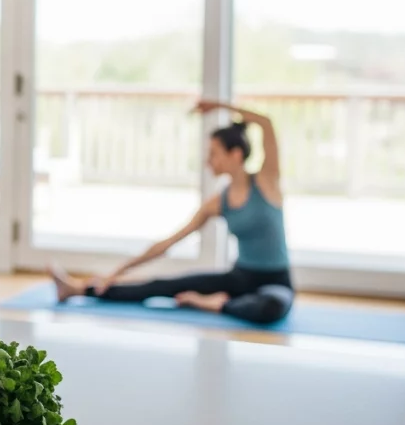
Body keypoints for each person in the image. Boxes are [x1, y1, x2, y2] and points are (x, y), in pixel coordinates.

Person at [47, 99, 294, 325]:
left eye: (214, 154)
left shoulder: (267, 182)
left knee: (272, 306)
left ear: (236, 154)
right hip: (239, 278)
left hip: (275, 282)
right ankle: (77, 289)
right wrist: (115, 273)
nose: (208, 161)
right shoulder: (218, 203)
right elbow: (168, 243)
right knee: (162, 285)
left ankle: (217, 304)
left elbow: (266, 123)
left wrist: (219, 106)